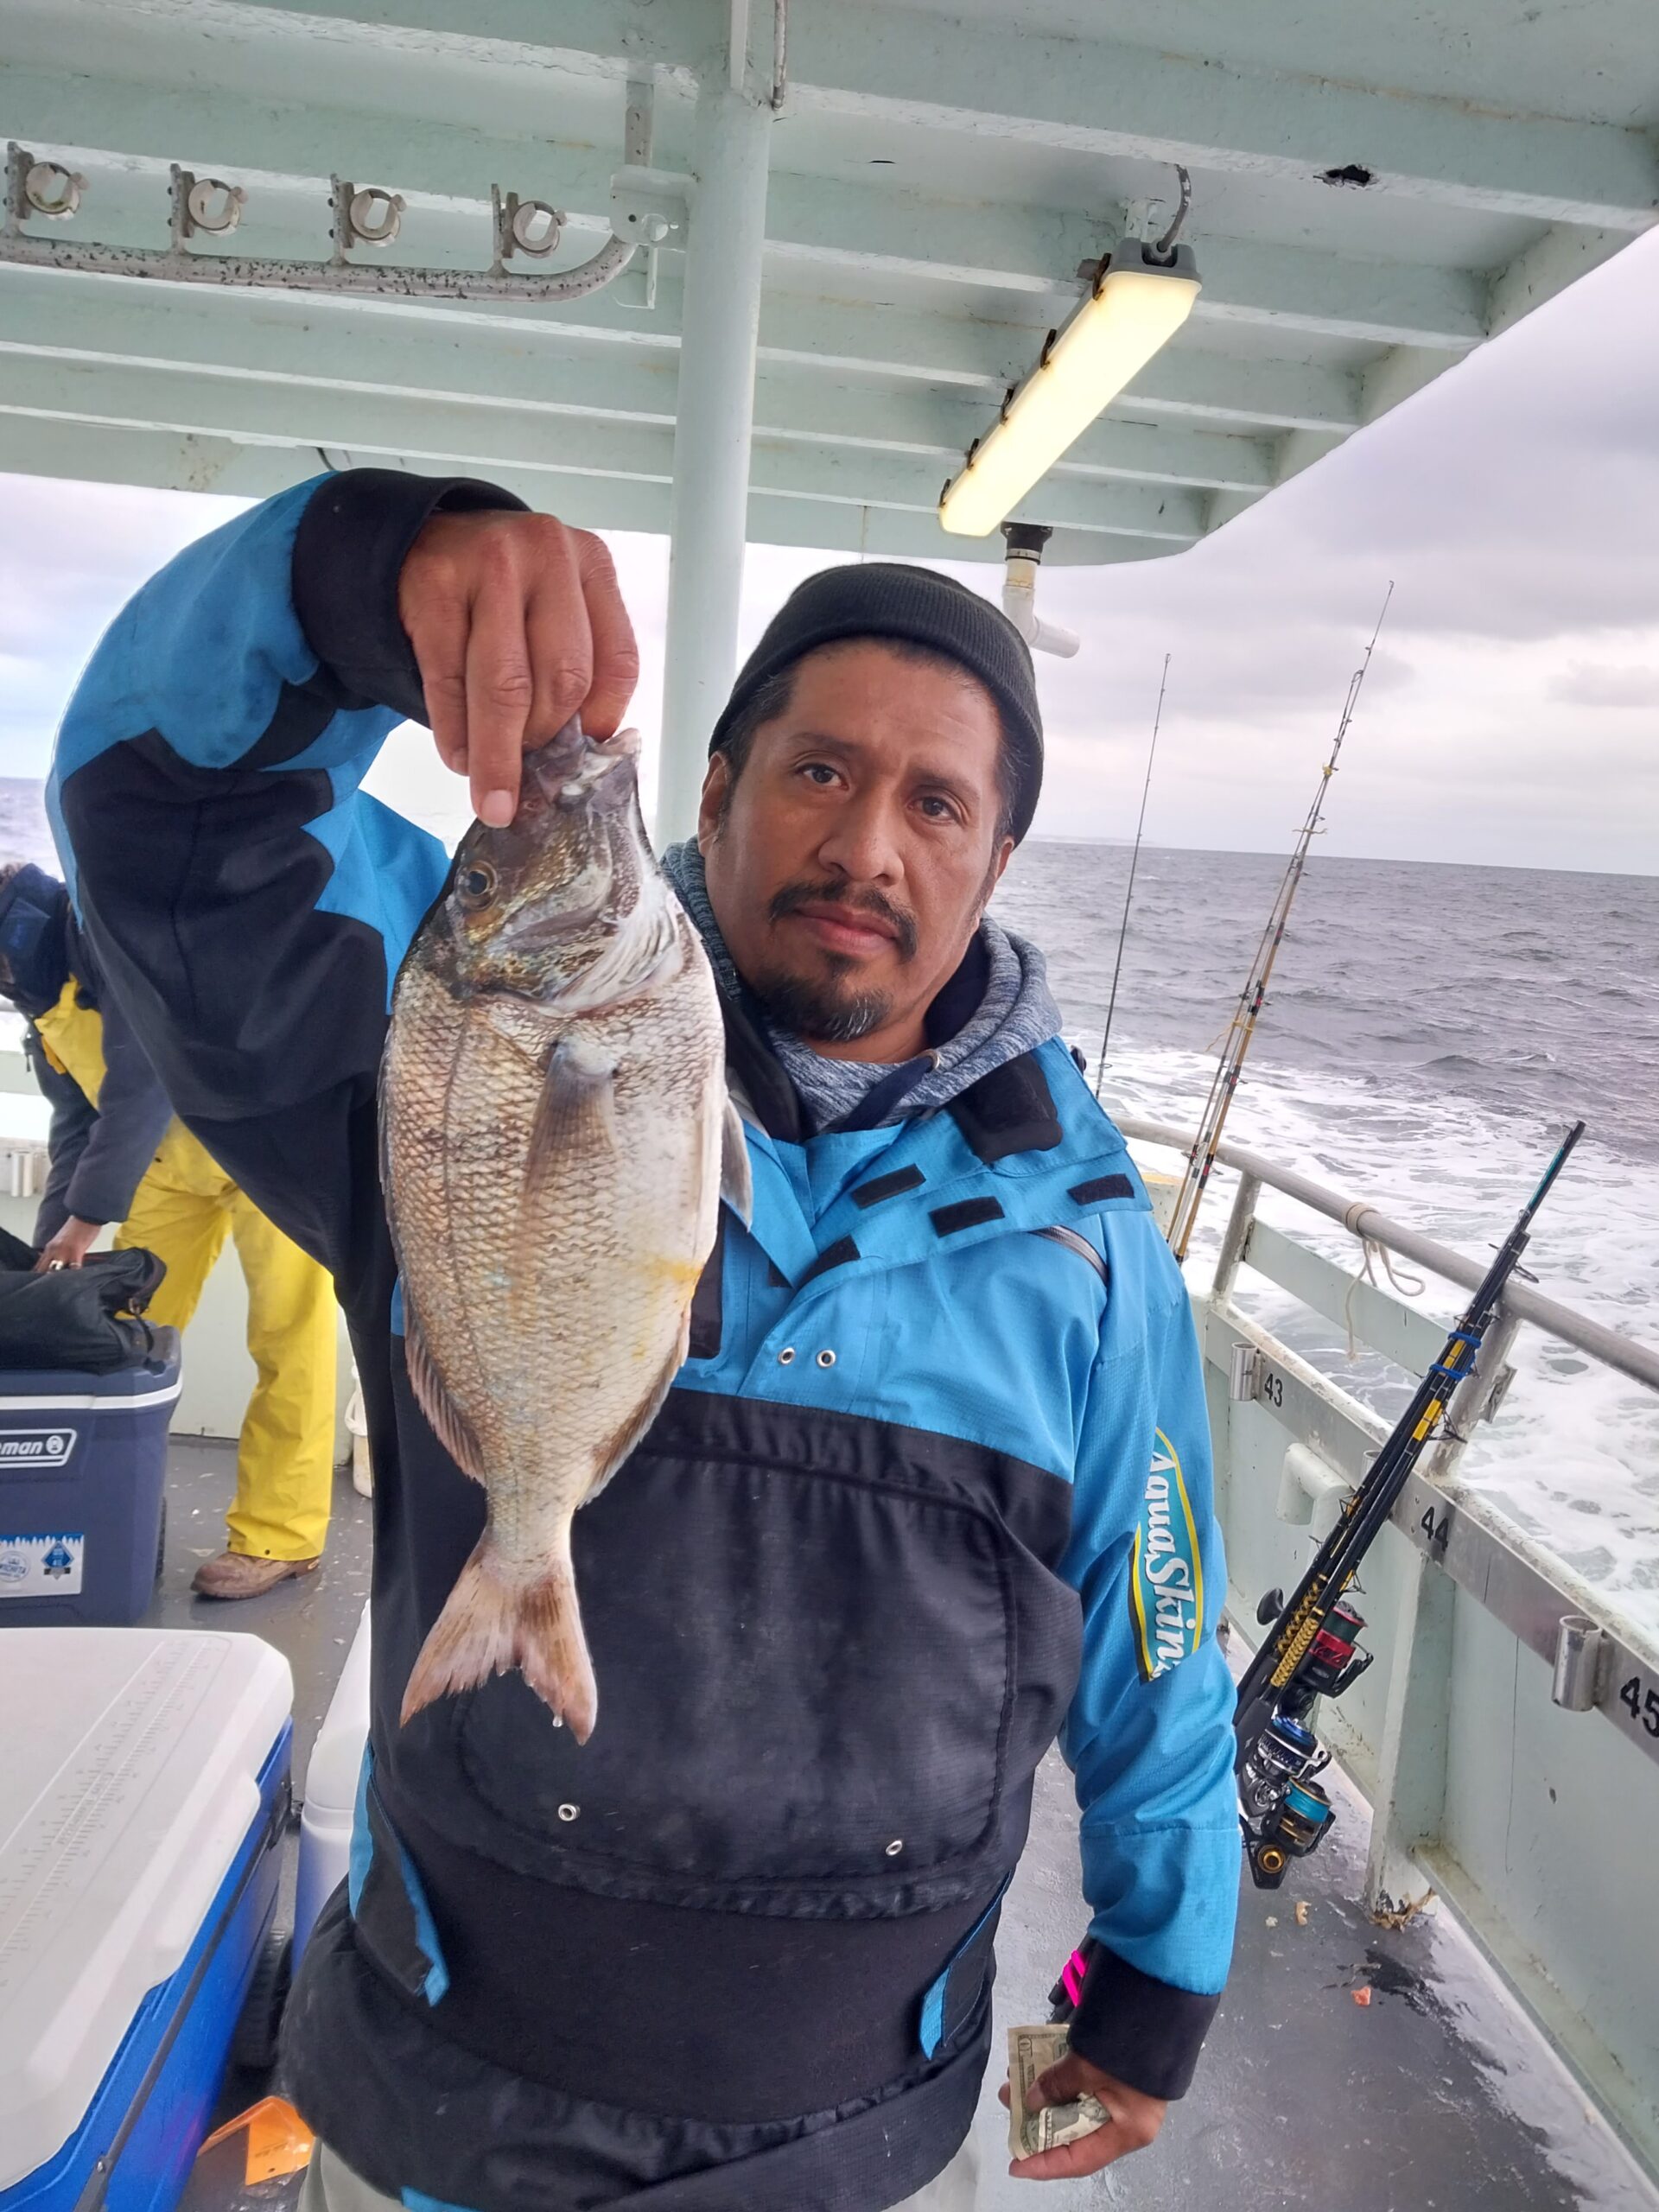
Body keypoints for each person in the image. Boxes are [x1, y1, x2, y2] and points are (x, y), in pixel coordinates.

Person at [52, 469, 1239, 2211]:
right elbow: (165, 820)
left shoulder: (1085, 1242)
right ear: (716, 785)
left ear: (993, 861)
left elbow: (1161, 1613)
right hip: (443, 2109)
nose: (867, 843)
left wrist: (1156, 1976)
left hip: (864, 2145)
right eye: (820, 769)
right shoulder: (449, 1024)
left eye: (937, 800)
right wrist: (364, 574)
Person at [0, 858, 339, 1597]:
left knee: (289, 1338)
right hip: (170, 1165)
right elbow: (77, 1123)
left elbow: (142, 1081)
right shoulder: (35, 988)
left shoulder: (109, 938)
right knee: (121, 1333)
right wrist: (50, 1254)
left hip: (273, 1145)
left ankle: (280, 1536)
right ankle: (107, 1508)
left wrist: (85, 1222)